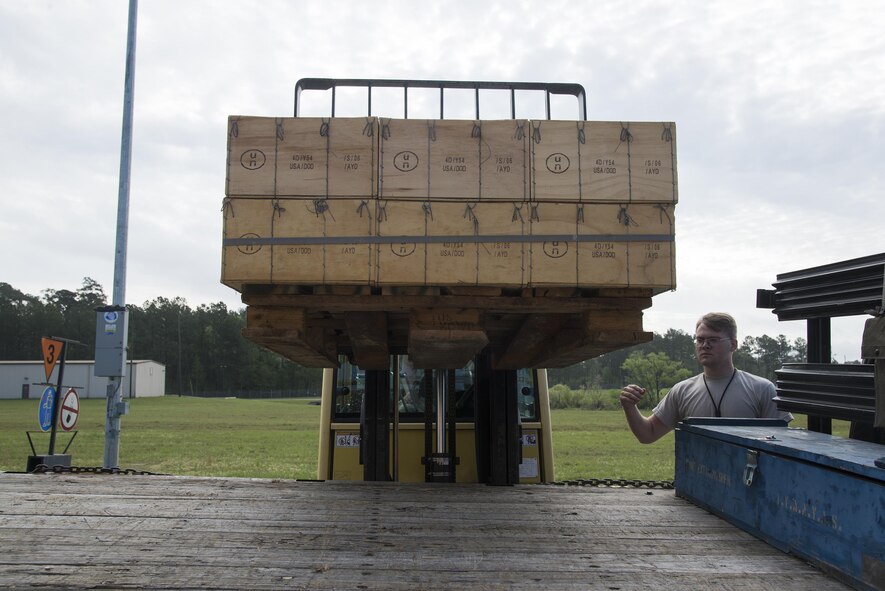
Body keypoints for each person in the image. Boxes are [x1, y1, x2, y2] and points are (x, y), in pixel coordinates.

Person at [620, 312, 792, 444]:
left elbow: (779, 442)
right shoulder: (682, 390)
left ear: (733, 345)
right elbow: (648, 434)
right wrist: (630, 406)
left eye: (713, 339)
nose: (705, 345)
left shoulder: (762, 389)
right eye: (700, 339)